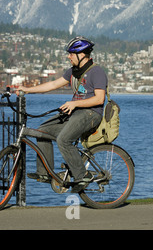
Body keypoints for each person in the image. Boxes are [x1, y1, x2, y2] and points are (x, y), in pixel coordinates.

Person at [16, 36, 107, 193]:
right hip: (75, 112)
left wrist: (75, 103)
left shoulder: (96, 72)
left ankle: (82, 175)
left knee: (63, 140)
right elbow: (52, 85)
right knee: (42, 131)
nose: (68, 56)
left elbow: (99, 99)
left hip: (91, 114)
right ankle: (44, 173)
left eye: (71, 53)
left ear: (82, 55)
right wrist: (27, 89)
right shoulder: (72, 72)